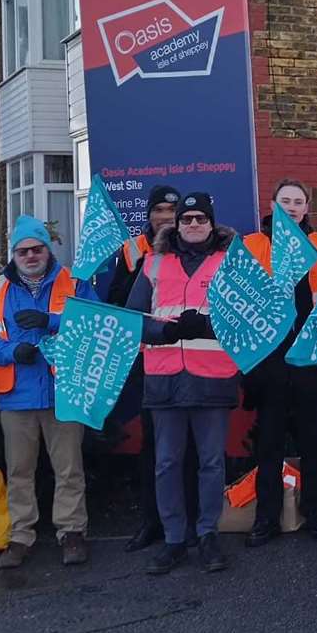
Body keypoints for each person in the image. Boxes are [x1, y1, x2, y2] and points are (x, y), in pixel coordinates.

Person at [0, 215, 97, 568]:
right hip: (17, 394)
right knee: (20, 470)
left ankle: (72, 533)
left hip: (65, 390)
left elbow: (97, 323)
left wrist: (50, 321)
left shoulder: (74, 282)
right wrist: (12, 353)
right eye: (22, 250)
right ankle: (20, 537)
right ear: (13, 254)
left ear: (47, 249)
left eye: (36, 248)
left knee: (69, 468)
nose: (30, 255)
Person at [125, 192, 240, 576]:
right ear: (176, 223)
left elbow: (244, 320)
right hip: (165, 377)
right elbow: (132, 319)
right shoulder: (153, 263)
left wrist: (205, 326)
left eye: (200, 219)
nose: (193, 225)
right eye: (186, 219)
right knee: (166, 463)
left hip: (212, 377)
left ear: (211, 223)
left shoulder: (231, 262)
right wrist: (165, 332)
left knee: (211, 463)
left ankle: (208, 534)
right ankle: (174, 538)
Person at [241, 179, 317, 545]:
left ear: (307, 208)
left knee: (315, 443)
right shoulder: (252, 246)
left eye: (299, 201)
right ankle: (265, 519)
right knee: (268, 446)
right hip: (269, 364)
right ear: (273, 204)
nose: (293, 207)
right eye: (286, 201)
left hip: (310, 361)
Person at [103, 183, 198, 553]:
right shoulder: (132, 251)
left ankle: (188, 522)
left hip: (190, 359)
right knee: (154, 447)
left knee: (187, 446)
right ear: (149, 215)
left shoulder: (192, 252)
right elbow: (117, 303)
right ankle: (151, 521)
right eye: (158, 211)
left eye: (172, 213)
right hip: (148, 362)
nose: (165, 218)